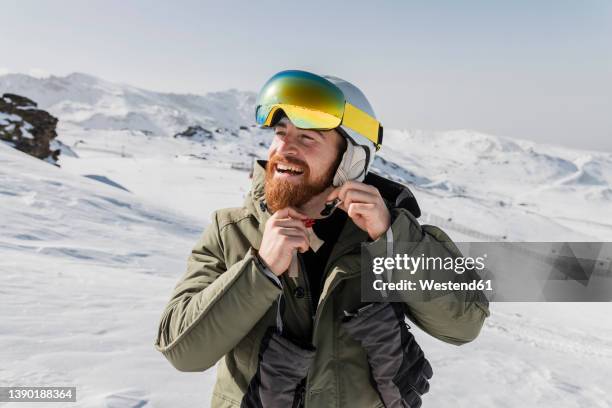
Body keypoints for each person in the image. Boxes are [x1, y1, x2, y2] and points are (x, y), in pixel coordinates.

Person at [155, 70, 490, 407]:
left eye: (307, 138)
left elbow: (464, 325)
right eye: (281, 133)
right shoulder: (232, 230)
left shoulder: (390, 236)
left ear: (350, 159)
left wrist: (391, 239)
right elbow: (182, 352)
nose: (284, 148)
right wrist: (260, 269)